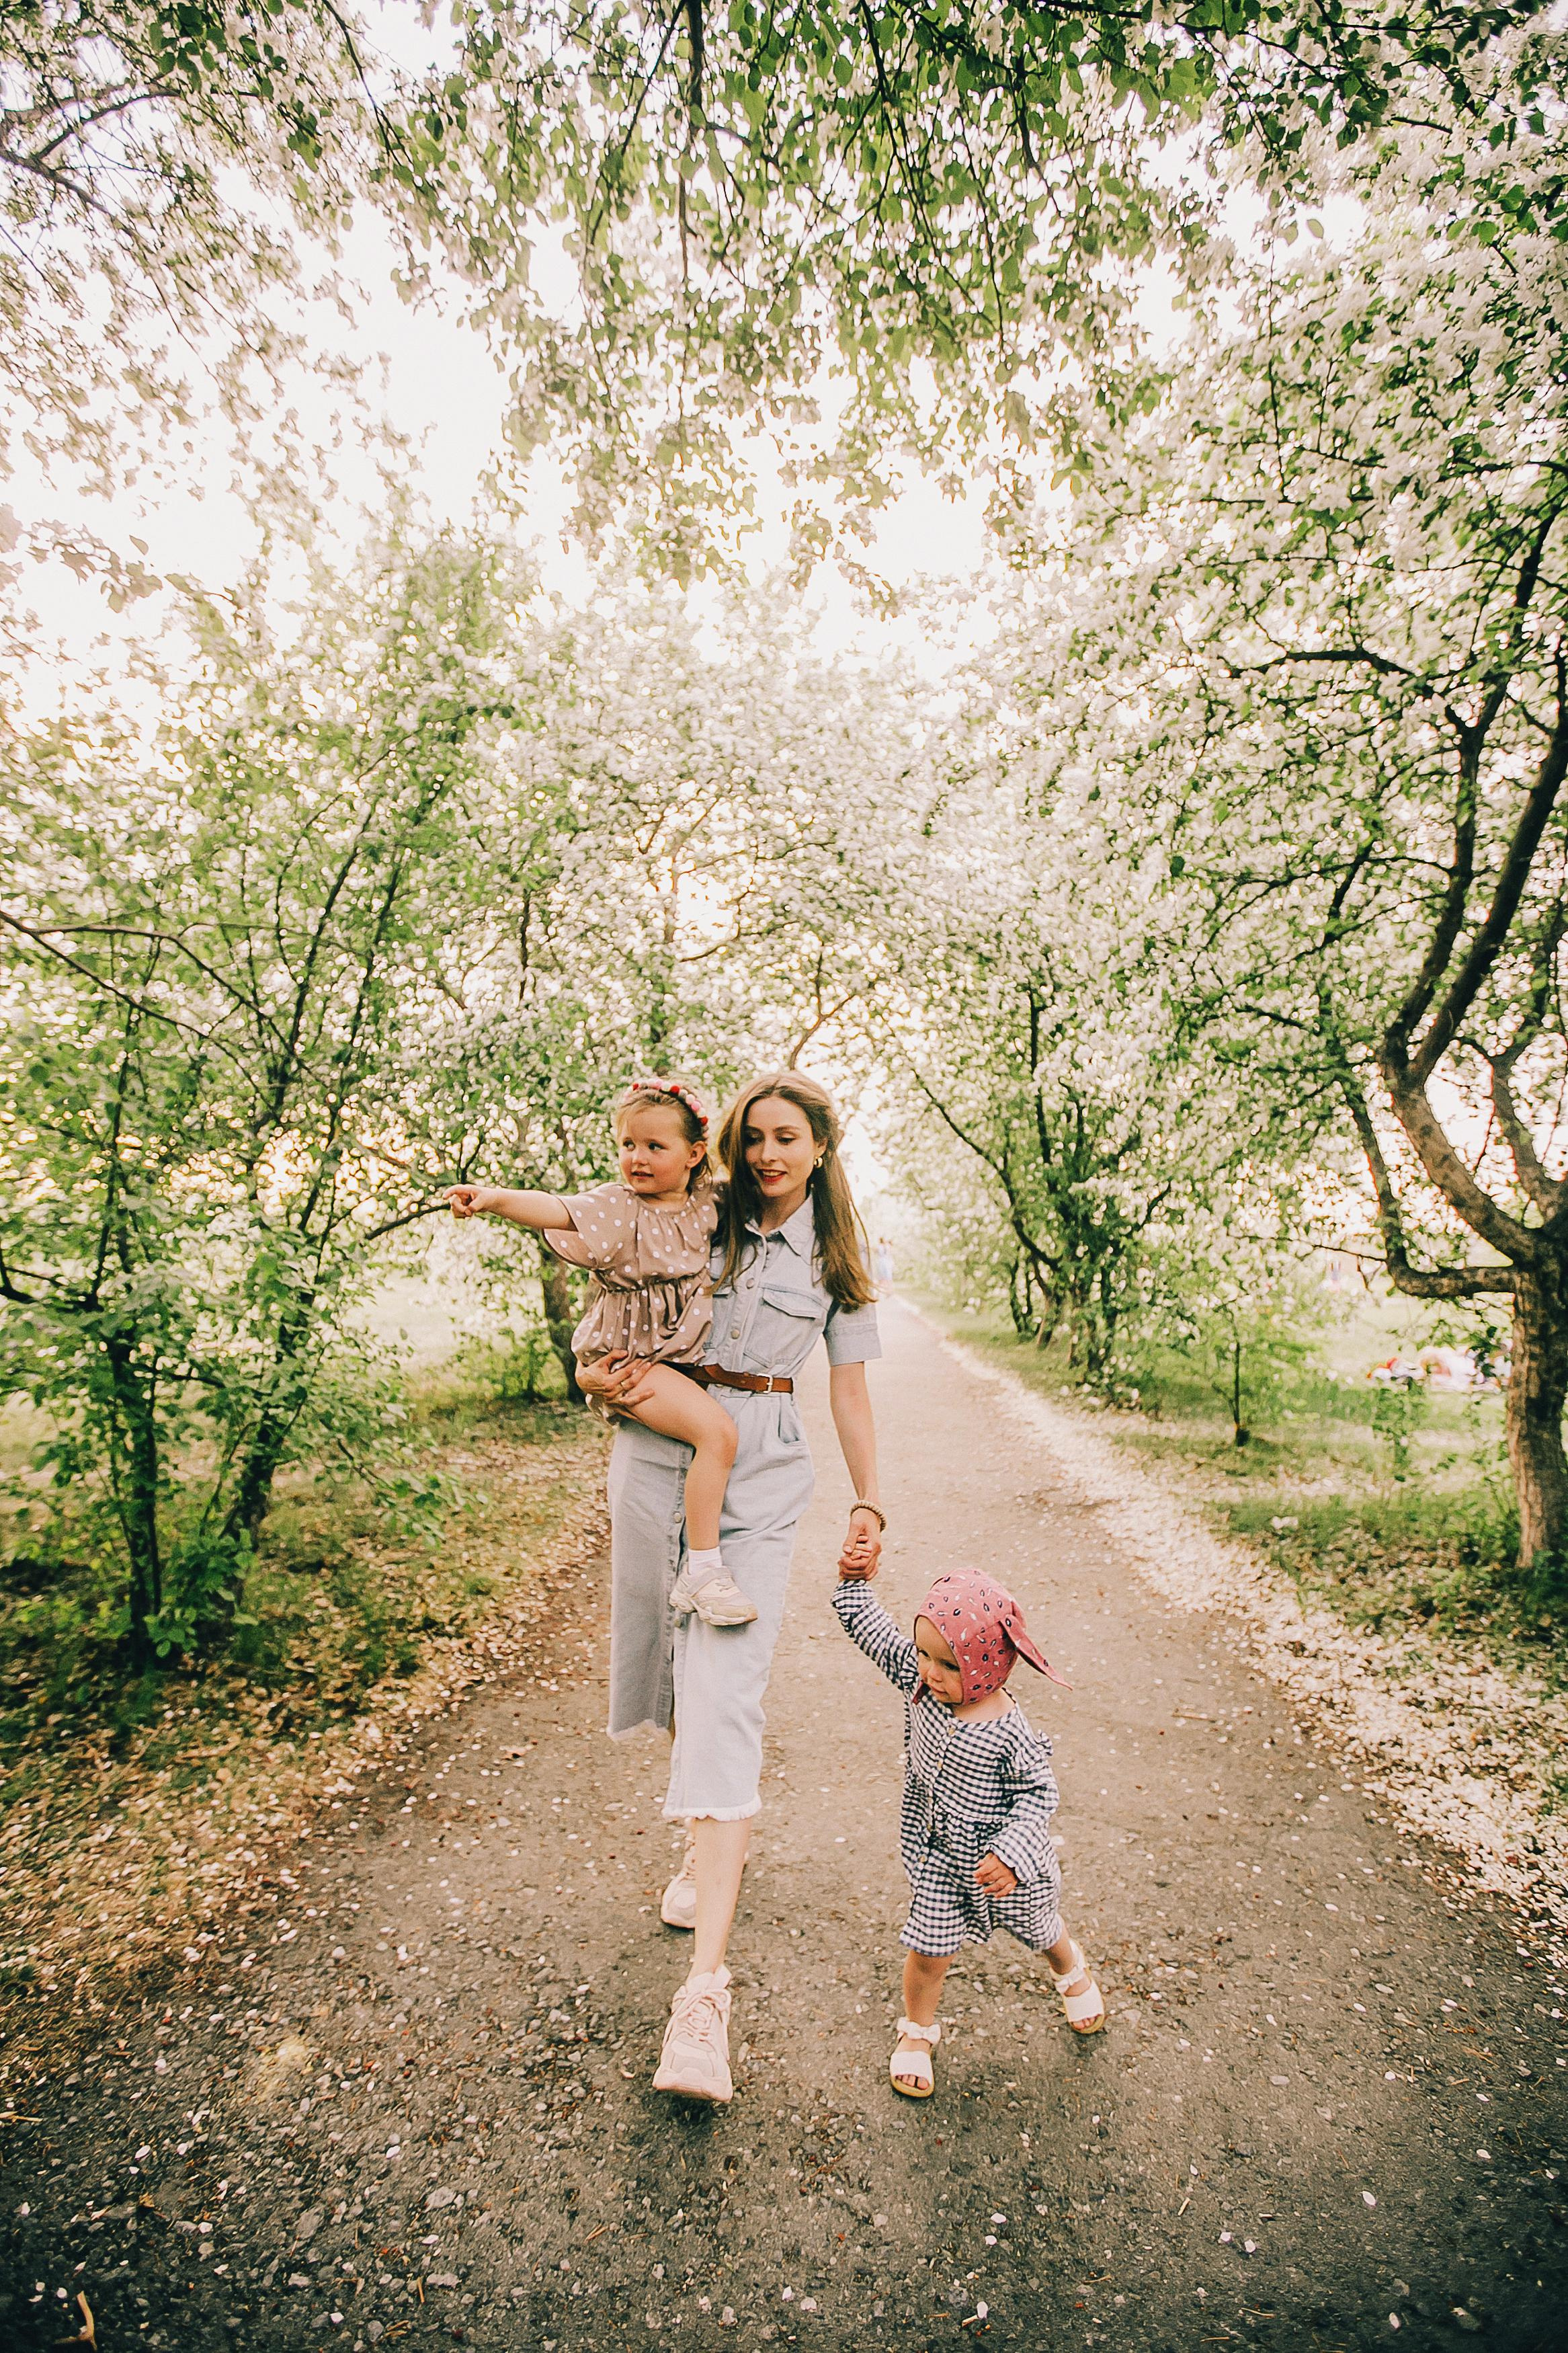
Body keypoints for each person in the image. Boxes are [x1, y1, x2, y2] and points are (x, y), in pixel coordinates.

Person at [580, 1070, 884, 2104]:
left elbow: (847, 1383)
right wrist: (589, 1375)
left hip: (761, 1467)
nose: (765, 1155)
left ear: (819, 1146)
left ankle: (704, 1994)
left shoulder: (840, 1254)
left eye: (785, 1138)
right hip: (655, 1443)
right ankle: (698, 1834)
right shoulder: (695, 1219)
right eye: (752, 1137)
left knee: (726, 1687)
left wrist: (868, 1501)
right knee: (671, 1669)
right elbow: (611, 1294)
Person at [446, 1076, 755, 1626]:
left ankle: (697, 1566)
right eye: (627, 1145)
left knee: (713, 1437)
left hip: (672, 1361)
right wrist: (494, 1199)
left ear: (694, 1154)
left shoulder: (709, 1202)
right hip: (633, 1361)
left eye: (655, 1147)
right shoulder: (621, 1207)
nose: (637, 1158)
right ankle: (704, 1571)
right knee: (718, 1434)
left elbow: (766, 1195)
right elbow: (558, 1210)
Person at [832, 1560, 1104, 2097]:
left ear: (987, 1666)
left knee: (1041, 1929)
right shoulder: (922, 1683)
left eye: (947, 1664)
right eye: (923, 1655)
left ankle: (1071, 1971)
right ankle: (916, 2033)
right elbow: (873, 1630)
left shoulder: (1010, 1733)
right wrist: (852, 1582)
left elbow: (1038, 1795)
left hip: (1007, 1871)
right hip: (941, 1857)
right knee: (928, 1949)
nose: (929, 1673)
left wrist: (1010, 1854)